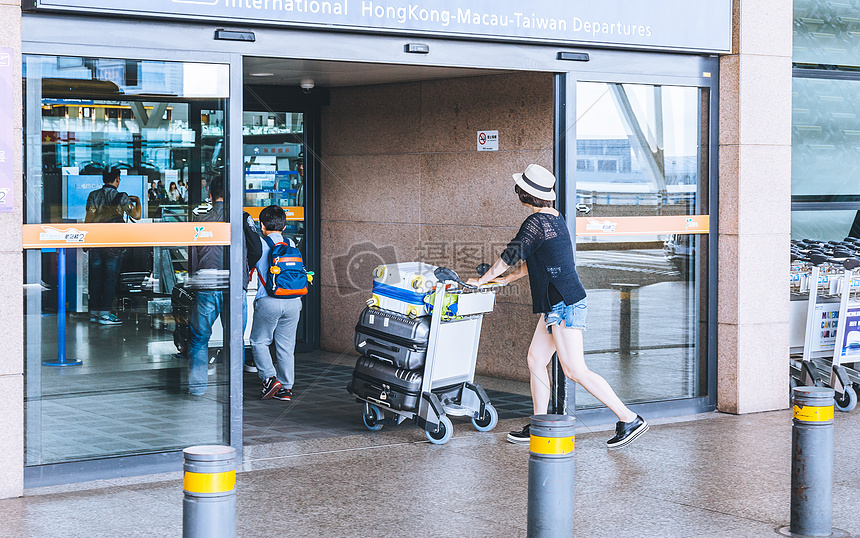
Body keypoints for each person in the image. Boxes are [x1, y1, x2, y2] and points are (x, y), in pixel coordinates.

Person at [467, 164, 648, 449]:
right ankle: (540, 424)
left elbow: (511, 255)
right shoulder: (554, 218)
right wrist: (504, 280)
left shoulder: (536, 222)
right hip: (557, 304)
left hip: (564, 304)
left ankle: (628, 418)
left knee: (575, 370)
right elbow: (532, 262)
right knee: (536, 360)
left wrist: (482, 280)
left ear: (523, 194)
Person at [250, 205, 303, 401]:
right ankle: (286, 388)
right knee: (286, 346)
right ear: (284, 225)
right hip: (293, 301)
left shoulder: (260, 244)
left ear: (262, 225)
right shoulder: (291, 243)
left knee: (259, 341)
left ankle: (270, 379)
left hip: (269, 301)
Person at [84, 168, 142, 325]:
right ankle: (105, 314)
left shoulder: (93, 195)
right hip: (114, 242)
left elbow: (88, 219)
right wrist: (137, 200)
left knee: (96, 278)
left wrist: (86, 240)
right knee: (110, 279)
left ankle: (94, 313)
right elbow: (136, 216)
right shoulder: (122, 197)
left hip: (96, 241)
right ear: (117, 179)